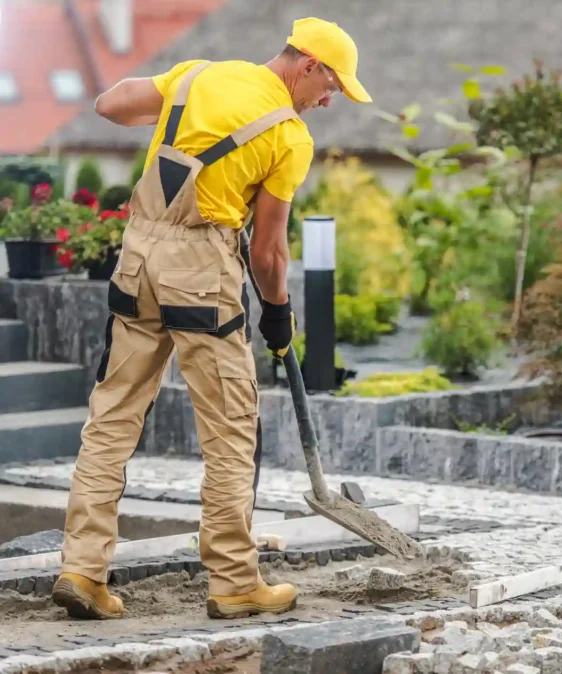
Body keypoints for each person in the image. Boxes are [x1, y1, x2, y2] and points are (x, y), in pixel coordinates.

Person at [51, 17, 371, 621]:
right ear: (306, 66)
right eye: (331, 86)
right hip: (202, 268)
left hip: (137, 256)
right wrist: (278, 314)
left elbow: (111, 103)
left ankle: (82, 570)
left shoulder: (198, 75)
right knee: (228, 430)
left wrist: (177, 106)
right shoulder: (289, 137)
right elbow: (268, 251)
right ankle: (234, 582)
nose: (330, 99)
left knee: (112, 414)